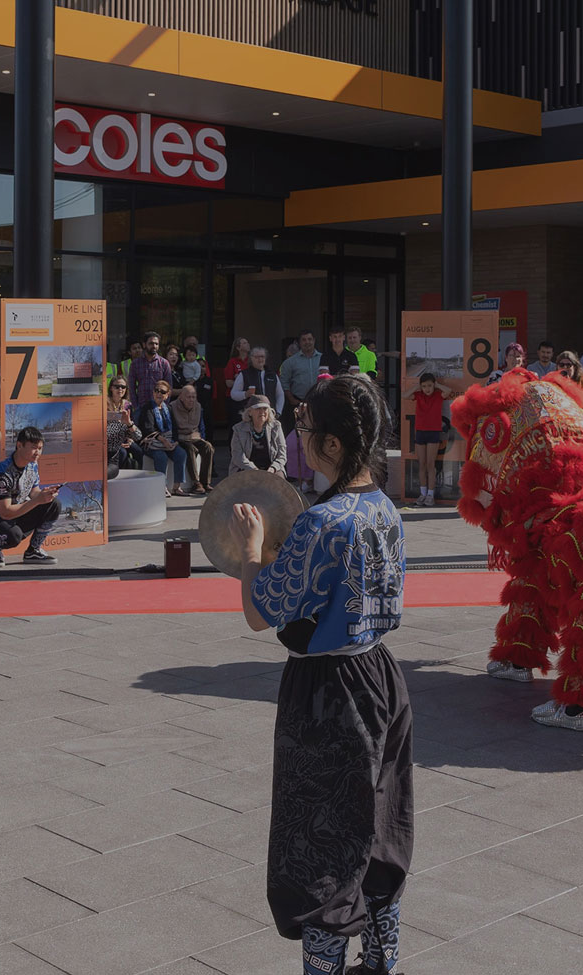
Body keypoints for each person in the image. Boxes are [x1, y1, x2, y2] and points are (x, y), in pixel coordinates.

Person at [231, 374, 410, 975]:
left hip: (328, 691)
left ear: (332, 445)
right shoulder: (385, 508)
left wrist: (252, 552)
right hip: (383, 675)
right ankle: (383, 959)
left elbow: (262, 613)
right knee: (381, 823)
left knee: (321, 842)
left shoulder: (321, 523)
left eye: (307, 431)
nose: (301, 440)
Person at [0, 425, 62, 569]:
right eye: (34, 447)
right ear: (19, 445)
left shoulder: (32, 465)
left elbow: (34, 492)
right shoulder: (3, 473)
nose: (37, 452)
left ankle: (34, 550)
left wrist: (45, 495)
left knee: (53, 504)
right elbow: (5, 512)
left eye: (40, 448)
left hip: (14, 512)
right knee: (13, 536)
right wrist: (37, 500)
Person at [137, 379, 189, 497]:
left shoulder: (168, 408)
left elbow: (174, 427)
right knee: (161, 457)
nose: (159, 393)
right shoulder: (148, 408)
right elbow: (148, 429)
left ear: (167, 395)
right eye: (156, 390)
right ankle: (162, 486)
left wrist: (175, 442)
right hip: (152, 443)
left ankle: (177, 486)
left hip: (168, 442)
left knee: (181, 454)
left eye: (162, 392)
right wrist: (164, 441)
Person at [409, 372, 450, 505]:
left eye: (430, 386)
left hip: (433, 432)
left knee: (431, 464)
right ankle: (422, 493)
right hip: (420, 431)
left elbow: (448, 391)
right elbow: (404, 395)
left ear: (434, 385)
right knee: (422, 464)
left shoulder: (438, 395)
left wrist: (438, 385)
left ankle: (430, 495)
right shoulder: (418, 395)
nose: (427, 389)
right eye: (424, 386)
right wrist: (416, 387)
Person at [229, 395, 287, 476]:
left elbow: (282, 454)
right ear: (249, 412)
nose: (262, 412)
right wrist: (254, 470)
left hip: (271, 469)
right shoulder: (238, 429)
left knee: (278, 481)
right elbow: (237, 456)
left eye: (265, 408)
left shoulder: (276, 427)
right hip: (245, 468)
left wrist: (273, 468)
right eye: (258, 408)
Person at [172, 384, 214, 494]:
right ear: (181, 397)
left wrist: (203, 438)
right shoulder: (172, 407)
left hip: (195, 436)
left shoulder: (198, 407)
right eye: (188, 397)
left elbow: (201, 426)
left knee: (208, 447)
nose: (191, 400)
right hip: (181, 438)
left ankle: (206, 482)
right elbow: (173, 429)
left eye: (193, 397)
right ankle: (196, 483)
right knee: (190, 449)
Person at [230, 345, 284, 421]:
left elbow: (280, 395)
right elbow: (233, 394)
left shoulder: (273, 375)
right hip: (250, 417)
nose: (260, 359)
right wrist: (245, 394)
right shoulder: (244, 374)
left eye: (262, 356)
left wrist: (278, 411)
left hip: (269, 416)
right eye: (257, 357)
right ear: (251, 358)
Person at [277, 330, 322, 420]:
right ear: (299, 342)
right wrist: (291, 399)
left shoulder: (323, 359)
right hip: (298, 402)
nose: (307, 342)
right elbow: (284, 382)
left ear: (314, 340)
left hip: (319, 402)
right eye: (304, 340)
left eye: (309, 339)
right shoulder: (290, 362)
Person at [128, 331, 173, 415]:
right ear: (144, 344)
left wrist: (164, 405)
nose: (154, 346)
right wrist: (136, 406)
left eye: (156, 344)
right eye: (151, 343)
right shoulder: (135, 363)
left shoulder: (164, 363)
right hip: (141, 407)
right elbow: (131, 387)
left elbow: (169, 387)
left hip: (159, 408)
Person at [106, 377, 143, 471]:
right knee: (122, 453)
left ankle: (136, 477)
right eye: (117, 387)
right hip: (109, 441)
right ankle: (118, 478)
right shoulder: (104, 404)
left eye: (123, 387)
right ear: (111, 388)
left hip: (124, 438)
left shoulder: (128, 405)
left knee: (138, 451)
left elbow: (131, 424)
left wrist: (130, 439)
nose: (120, 389)